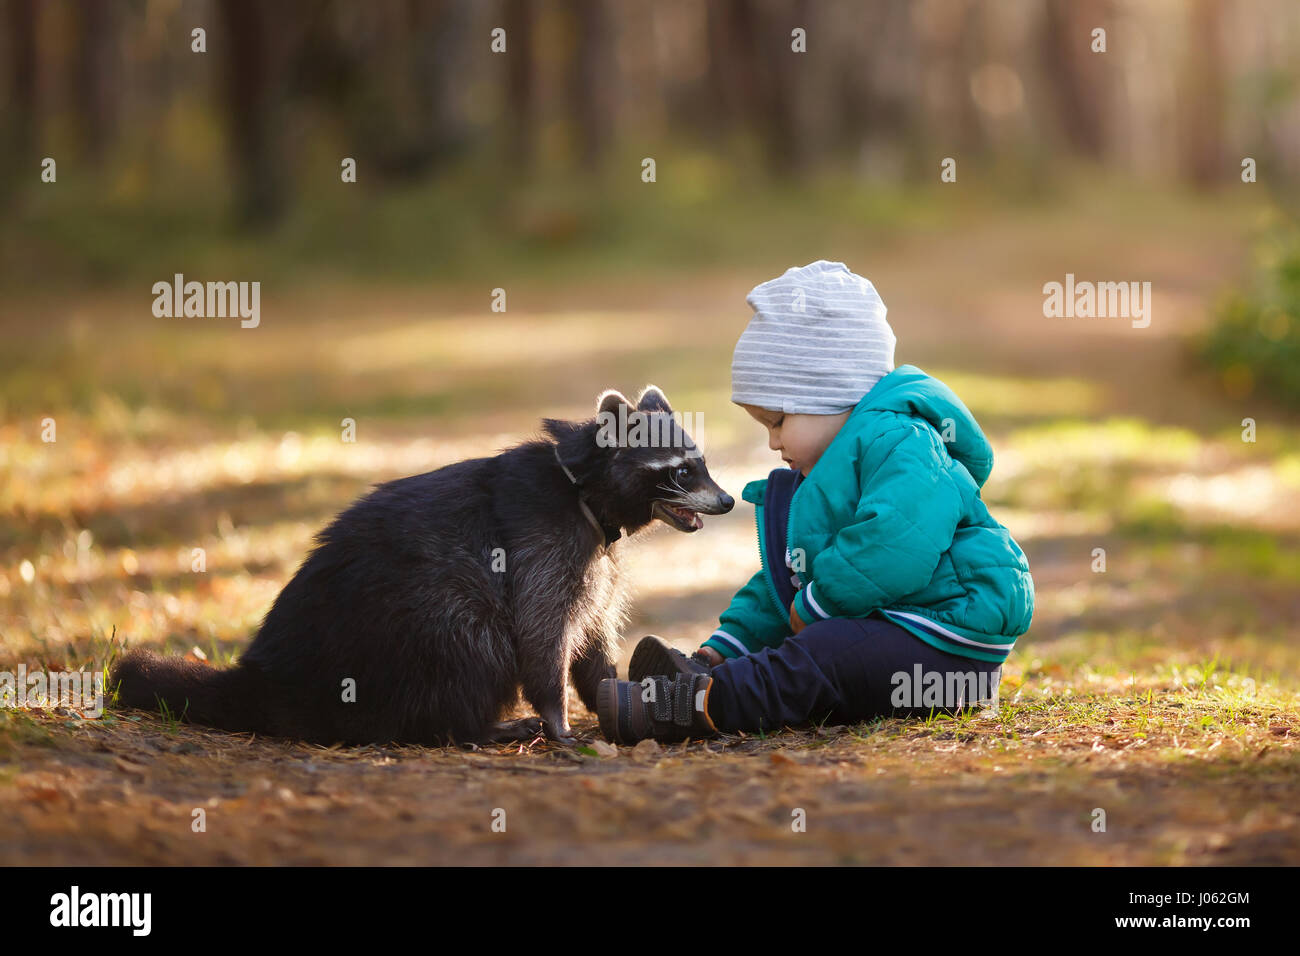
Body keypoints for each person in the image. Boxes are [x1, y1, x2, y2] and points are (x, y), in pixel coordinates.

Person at [595, 260, 1034, 744]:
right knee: (820, 643)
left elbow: (895, 544)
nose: (772, 443)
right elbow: (785, 580)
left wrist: (822, 601)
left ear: (832, 393)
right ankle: (712, 669)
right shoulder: (822, 476)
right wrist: (728, 640)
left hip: (944, 642)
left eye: (778, 421)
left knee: (821, 656)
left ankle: (693, 704)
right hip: (895, 630)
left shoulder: (902, 442)